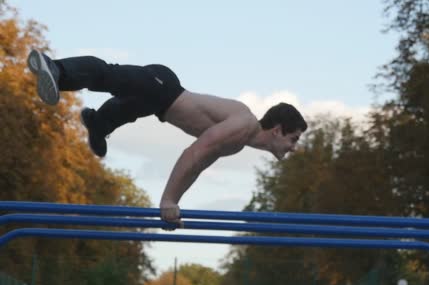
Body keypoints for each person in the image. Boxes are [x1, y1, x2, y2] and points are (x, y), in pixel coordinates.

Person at [27, 49, 308, 229]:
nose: (294, 147)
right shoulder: (243, 126)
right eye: (293, 138)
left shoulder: (239, 139)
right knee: (110, 76)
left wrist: (175, 203)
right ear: (277, 130)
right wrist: (168, 201)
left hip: (160, 100)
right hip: (162, 89)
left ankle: (97, 122)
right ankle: (57, 70)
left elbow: (198, 165)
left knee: (129, 108)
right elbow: (195, 153)